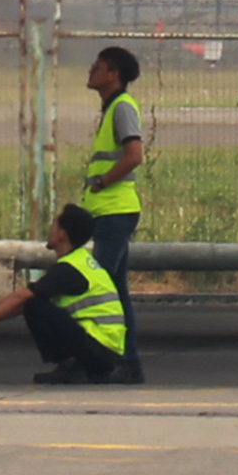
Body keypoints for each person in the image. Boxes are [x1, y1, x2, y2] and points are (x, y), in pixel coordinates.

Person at [0, 203, 128, 385]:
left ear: (62, 234)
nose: (50, 228)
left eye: (54, 223)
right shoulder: (81, 261)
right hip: (107, 350)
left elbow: (22, 297)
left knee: (34, 303)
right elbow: (24, 301)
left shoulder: (69, 269)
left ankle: (74, 367)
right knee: (35, 302)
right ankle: (74, 366)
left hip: (99, 349)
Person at [76, 43, 147, 379]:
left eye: (99, 66)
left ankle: (98, 358)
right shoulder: (111, 109)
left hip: (115, 211)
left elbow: (134, 155)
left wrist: (103, 182)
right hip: (107, 212)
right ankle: (127, 360)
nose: (92, 70)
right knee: (115, 289)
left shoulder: (121, 108)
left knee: (97, 287)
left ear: (114, 74)